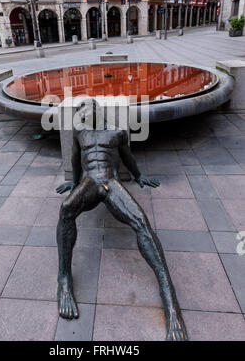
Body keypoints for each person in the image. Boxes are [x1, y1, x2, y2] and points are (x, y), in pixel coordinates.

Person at [56, 99, 188, 341]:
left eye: (89, 104)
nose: (85, 109)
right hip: (89, 183)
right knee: (66, 209)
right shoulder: (80, 133)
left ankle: (171, 302)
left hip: (111, 183)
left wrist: (138, 176)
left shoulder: (116, 132)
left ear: (98, 109)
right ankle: (64, 279)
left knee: (141, 222)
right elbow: (76, 161)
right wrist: (74, 183)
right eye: (81, 107)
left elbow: (128, 158)